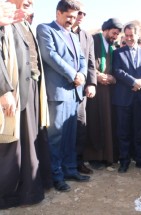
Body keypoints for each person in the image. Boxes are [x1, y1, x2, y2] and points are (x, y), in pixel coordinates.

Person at [0, 0, 52, 209]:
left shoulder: (25, 24)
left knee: (30, 142)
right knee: (11, 146)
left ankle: (29, 190)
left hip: (31, 90)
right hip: (12, 91)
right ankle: (8, 195)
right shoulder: (3, 20)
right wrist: (4, 90)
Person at [37, 0, 89, 192]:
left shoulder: (74, 36)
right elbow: (50, 55)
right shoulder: (45, 29)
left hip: (74, 92)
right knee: (56, 137)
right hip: (58, 92)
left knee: (70, 135)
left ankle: (70, 169)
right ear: (58, 13)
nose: (72, 21)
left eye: (74, 17)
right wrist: (73, 74)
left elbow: (82, 59)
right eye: (68, 16)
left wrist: (82, 74)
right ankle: (55, 176)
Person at [112, 23, 141, 173]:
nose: (129, 38)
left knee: (140, 130)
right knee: (123, 131)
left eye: (132, 35)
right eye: (127, 35)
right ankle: (124, 161)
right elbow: (117, 71)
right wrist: (133, 81)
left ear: (137, 35)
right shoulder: (118, 53)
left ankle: (140, 159)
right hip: (123, 98)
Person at [84, 18, 122, 170]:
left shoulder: (114, 47)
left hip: (109, 91)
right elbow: (85, 61)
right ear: (106, 29)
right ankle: (94, 156)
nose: (115, 36)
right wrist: (96, 76)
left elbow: (117, 68)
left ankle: (107, 156)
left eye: (117, 34)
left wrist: (113, 78)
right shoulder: (92, 40)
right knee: (94, 121)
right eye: (114, 33)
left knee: (108, 122)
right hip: (94, 90)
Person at [71, 2, 97, 175]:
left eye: (84, 14)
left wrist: (92, 83)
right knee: (62, 130)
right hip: (63, 88)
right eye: (79, 13)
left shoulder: (87, 36)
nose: (81, 16)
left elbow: (90, 62)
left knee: (81, 126)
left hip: (81, 92)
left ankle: (78, 162)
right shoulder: (56, 31)